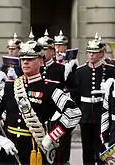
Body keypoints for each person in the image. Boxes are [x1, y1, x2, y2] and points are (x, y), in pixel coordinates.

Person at [0, 40, 82, 165]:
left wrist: (51, 136)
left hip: (35, 148)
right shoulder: (9, 87)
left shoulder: (50, 88)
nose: (25, 62)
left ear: (41, 61)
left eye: (30, 59)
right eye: (23, 58)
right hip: (10, 148)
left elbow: (74, 113)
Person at [74, 33, 115, 165]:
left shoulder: (110, 70)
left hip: (102, 114)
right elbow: (76, 94)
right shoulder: (80, 71)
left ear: (102, 54)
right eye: (89, 52)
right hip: (86, 114)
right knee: (87, 148)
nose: (91, 55)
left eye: (95, 52)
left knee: (101, 146)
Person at [39, 30, 77, 164]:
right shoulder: (34, 68)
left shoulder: (61, 69)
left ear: (52, 51)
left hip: (57, 112)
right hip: (39, 112)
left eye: (45, 49)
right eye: (40, 49)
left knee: (60, 147)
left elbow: (73, 88)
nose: (42, 52)